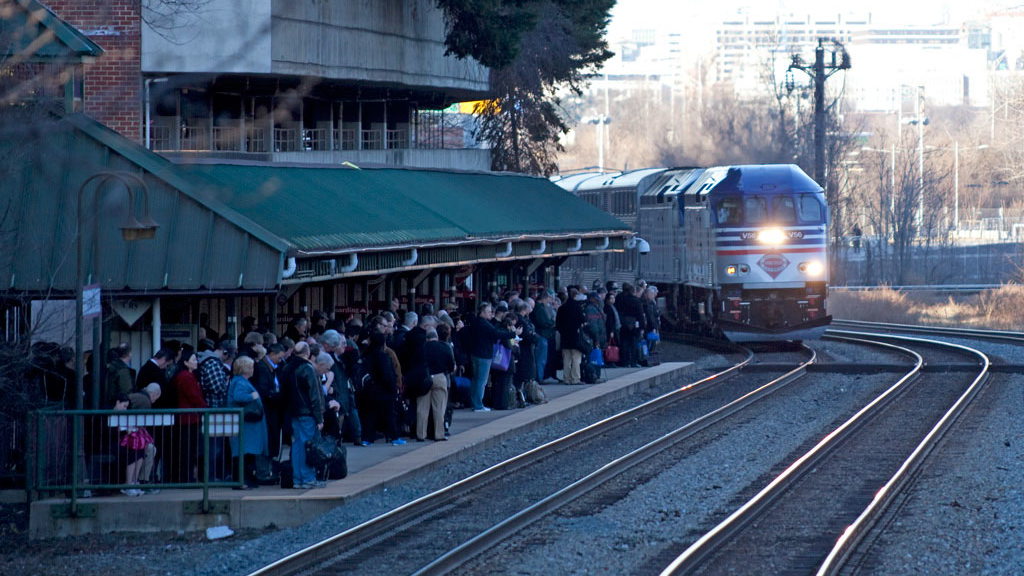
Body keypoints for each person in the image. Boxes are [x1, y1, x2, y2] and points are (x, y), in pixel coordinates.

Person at [464, 303, 520, 412]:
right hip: (484, 355)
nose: (491, 314)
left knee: (476, 379)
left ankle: (474, 402)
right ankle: (478, 405)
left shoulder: (475, 322)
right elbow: (496, 333)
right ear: (482, 312)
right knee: (481, 381)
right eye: (489, 312)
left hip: (475, 353)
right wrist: (513, 334)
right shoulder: (484, 324)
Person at [289, 349, 331, 489]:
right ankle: (308, 478)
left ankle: (297, 479)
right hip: (308, 414)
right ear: (321, 364)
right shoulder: (309, 370)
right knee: (309, 446)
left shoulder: (294, 368)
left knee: (298, 445)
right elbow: (315, 396)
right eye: (327, 369)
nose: (325, 372)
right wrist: (319, 418)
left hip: (296, 412)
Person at [228, 356, 268, 490]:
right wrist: (252, 396)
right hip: (245, 424)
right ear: (243, 369)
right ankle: (241, 480)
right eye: (250, 367)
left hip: (248, 425)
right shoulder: (240, 382)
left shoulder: (241, 381)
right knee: (243, 453)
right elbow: (238, 396)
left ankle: (247, 479)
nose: (252, 369)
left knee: (246, 453)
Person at [172, 350, 205, 483]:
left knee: (189, 449)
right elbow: (194, 397)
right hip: (189, 418)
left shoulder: (186, 376)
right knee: (188, 449)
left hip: (189, 417)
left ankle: (187, 476)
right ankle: (186, 477)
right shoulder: (186, 377)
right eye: (193, 359)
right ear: (186, 362)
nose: (196, 362)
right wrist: (205, 408)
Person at [418, 328, 454, 441]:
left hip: (424, 378)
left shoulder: (422, 348)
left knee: (422, 408)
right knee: (439, 408)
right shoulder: (444, 347)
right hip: (440, 377)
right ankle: (439, 434)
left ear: (427, 339)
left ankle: (421, 435)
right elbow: (451, 365)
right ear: (437, 338)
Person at [556, 292, 588, 384]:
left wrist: (562, 331)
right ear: (575, 296)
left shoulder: (562, 308)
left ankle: (566, 378)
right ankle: (575, 378)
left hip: (565, 337)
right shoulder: (578, 308)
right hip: (575, 336)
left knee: (566, 359)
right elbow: (583, 320)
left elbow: (558, 323)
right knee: (576, 358)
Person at [615, 283, 646, 368]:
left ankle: (625, 361)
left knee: (624, 343)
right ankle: (633, 362)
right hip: (634, 325)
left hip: (623, 324)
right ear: (634, 292)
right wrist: (642, 326)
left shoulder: (621, 299)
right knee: (633, 344)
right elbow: (640, 315)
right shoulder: (636, 301)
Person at [530, 291, 556, 384]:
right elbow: (543, 322)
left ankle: (540, 376)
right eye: (548, 299)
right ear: (544, 298)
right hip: (542, 335)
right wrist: (552, 323)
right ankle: (539, 377)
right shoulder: (540, 309)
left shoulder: (538, 308)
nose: (549, 301)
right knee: (541, 358)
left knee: (540, 357)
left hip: (541, 334)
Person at [104, 343, 136, 407]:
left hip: (110, 403)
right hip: (119, 405)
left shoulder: (112, 367)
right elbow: (126, 391)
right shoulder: (123, 370)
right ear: (129, 354)